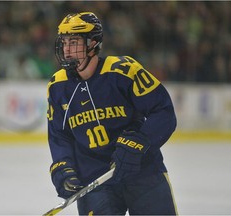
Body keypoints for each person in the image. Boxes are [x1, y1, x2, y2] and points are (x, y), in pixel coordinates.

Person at [47, 12, 178, 215]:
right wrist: (63, 167)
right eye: (64, 42)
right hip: (94, 179)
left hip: (142, 172)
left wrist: (139, 141)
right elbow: (59, 135)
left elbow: (163, 111)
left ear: (92, 43)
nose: (67, 50)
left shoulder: (124, 71)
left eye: (74, 42)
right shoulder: (58, 86)